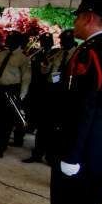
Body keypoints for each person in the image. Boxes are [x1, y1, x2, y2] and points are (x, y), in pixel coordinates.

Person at [50, 0, 102, 204]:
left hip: (80, 153)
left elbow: (84, 107)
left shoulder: (90, 51)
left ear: (89, 18)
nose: (74, 23)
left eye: (77, 17)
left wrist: (71, 156)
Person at [24, 30, 76, 164]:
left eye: (65, 40)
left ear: (72, 41)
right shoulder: (57, 53)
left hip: (65, 95)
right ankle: (37, 153)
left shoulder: (78, 54)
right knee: (43, 125)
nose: (63, 43)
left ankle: (51, 156)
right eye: (62, 40)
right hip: (50, 92)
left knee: (57, 128)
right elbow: (48, 71)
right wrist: (45, 66)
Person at [0, 31, 31, 158]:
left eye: (11, 40)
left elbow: (26, 78)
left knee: (5, 122)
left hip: (11, 90)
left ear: (17, 42)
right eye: (8, 39)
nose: (7, 42)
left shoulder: (23, 58)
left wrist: (21, 95)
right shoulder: (1, 54)